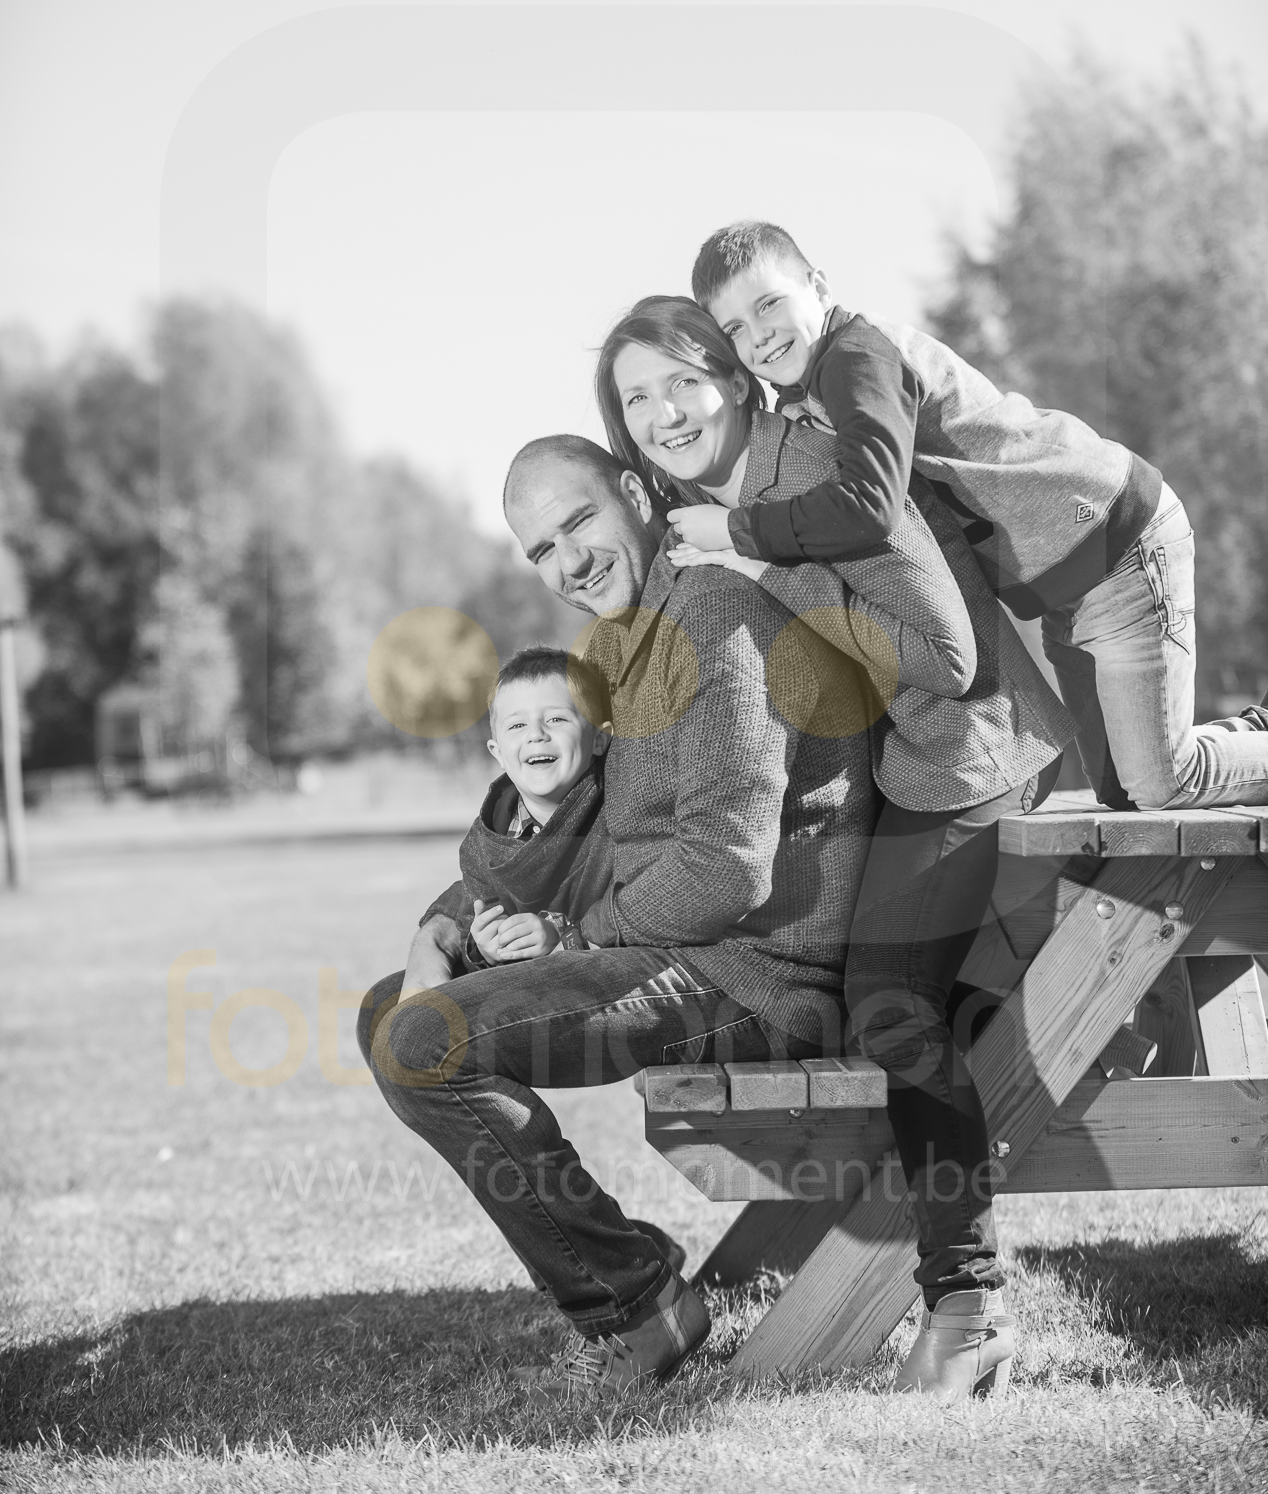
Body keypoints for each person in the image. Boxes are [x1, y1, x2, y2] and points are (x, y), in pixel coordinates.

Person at [595, 295, 1075, 1398]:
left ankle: (968, 1308)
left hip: (964, 754)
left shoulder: (810, 466)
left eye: (681, 381)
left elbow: (945, 657)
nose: (664, 413)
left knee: (891, 1007)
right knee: (869, 1000)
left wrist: (767, 569)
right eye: (637, 398)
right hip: (887, 778)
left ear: (733, 377)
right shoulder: (701, 510)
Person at [358, 435, 879, 1400]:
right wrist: (441, 931)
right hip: (676, 955)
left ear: (637, 494)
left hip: (755, 976)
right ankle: (631, 1271)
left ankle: (633, 1302)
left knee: (424, 1043)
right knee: (392, 1009)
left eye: (579, 522)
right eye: (541, 550)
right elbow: (553, 831)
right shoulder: (618, 644)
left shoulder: (714, 618)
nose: (569, 562)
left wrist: (579, 937)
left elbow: (726, 869)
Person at [680, 218, 1268, 815]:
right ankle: (1254, 733)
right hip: (1065, 589)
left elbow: (871, 504)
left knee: (1163, 785)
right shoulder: (806, 394)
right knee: (1119, 789)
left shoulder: (857, 359)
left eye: (769, 303)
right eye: (735, 328)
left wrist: (737, 531)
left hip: (1117, 546)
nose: (759, 334)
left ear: (819, 286)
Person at [402, 645, 615, 992]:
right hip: (519, 981)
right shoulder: (484, 842)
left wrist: (562, 935)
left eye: (556, 719)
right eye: (517, 724)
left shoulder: (616, 816)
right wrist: (486, 950)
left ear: (599, 739)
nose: (536, 734)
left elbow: (632, 908)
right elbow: (477, 919)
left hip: (596, 981)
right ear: (498, 752)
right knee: (383, 1004)